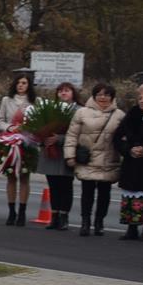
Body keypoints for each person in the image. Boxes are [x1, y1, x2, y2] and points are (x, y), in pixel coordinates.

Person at [66, 83, 123, 237]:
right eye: (99, 94)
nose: (103, 98)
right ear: (94, 96)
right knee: (87, 193)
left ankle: (99, 222)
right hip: (87, 159)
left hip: (108, 160)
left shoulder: (119, 115)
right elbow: (72, 135)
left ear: (112, 97)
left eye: (106, 95)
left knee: (105, 194)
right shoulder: (82, 113)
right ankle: (85, 222)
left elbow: (124, 138)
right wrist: (70, 155)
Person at [40, 81, 80, 231]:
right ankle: (54, 215)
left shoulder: (78, 110)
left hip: (66, 151)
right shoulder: (50, 109)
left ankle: (64, 216)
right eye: (60, 91)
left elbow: (79, 133)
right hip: (51, 152)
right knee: (53, 185)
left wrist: (60, 138)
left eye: (67, 90)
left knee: (65, 185)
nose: (63, 93)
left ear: (73, 93)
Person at [0, 74, 34, 225]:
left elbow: (39, 122)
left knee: (24, 177)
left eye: (24, 83)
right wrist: (10, 127)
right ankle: (11, 211)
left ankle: (22, 212)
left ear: (28, 85)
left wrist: (27, 129)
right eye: (18, 83)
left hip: (26, 144)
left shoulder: (34, 102)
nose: (21, 85)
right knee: (11, 177)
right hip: (10, 142)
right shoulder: (6, 100)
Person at [115, 83, 143, 241]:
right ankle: (131, 228)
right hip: (132, 164)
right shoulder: (132, 115)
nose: (142, 100)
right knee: (132, 196)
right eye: (140, 97)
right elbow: (118, 137)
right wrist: (129, 149)